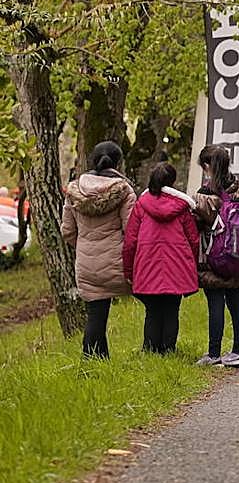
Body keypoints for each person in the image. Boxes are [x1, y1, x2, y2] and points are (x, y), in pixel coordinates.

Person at [62, 141, 136, 359]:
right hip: (116, 265)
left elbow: (67, 231)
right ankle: (158, 351)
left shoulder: (74, 191)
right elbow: (131, 231)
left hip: (86, 265)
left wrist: (84, 247)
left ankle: (92, 363)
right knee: (156, 303)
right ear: (118, 163)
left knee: (96, 316)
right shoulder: (125, 191)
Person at [122, 162, 199, 355]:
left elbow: (130, 241)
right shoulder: (182, 207)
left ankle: (150, 350)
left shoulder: (141, 206)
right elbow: (193, 240)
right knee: (172, 310)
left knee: (152, 311)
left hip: (147, 265)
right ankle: (169, 350)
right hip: (177, 265)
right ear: (172, 181)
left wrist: (129, 270)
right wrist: (193, 265)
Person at [192, 145, 239, 367]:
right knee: (236, 301)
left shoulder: (206, 194)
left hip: (214, 257)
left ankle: (214, 353)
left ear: (207, 166)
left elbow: (197, 223)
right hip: (237, 255)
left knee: (215, 303)